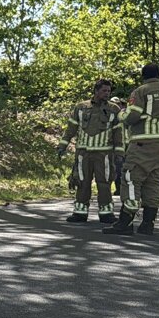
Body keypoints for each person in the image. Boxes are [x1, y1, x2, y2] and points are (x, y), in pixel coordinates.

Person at [104, 63, 159, 235]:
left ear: (143, 76)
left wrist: (122, 115)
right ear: (158, 74)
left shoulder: (140, 91)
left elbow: (132, 115)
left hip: (143, 143)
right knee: (154, 181)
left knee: (130, 178)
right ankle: (147, 223)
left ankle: (125, 222)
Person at [57, 79, 122, 224]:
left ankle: (106, 213)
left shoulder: (114, 109)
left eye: (109, 91)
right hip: (83, 153)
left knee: (104, 182)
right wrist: (62, 146)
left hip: (104, 154)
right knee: (82, 182)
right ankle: (80, 213)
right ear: (96, 91)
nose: (107, 94)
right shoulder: (81, 107)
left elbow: (119, 132)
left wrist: (119, 153)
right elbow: (71, 128)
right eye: (104, 91)